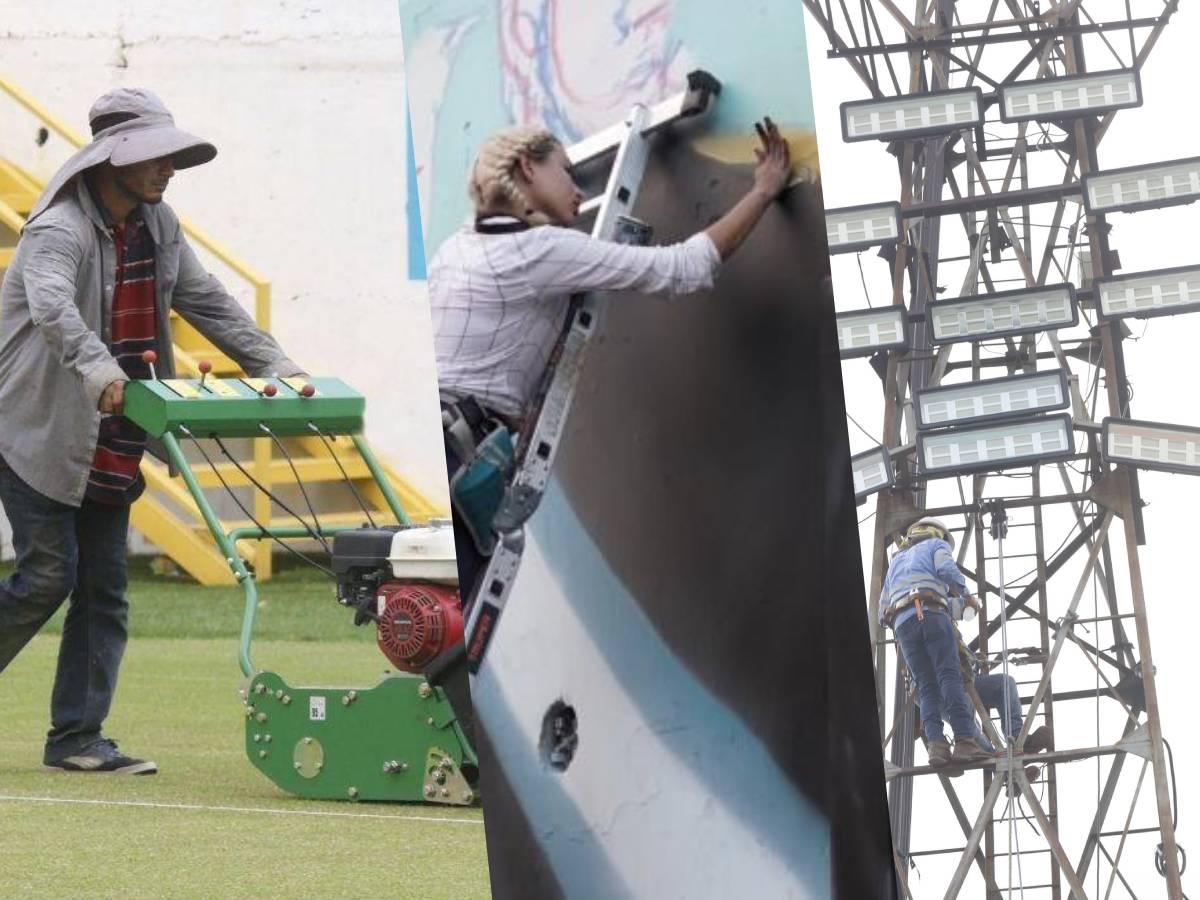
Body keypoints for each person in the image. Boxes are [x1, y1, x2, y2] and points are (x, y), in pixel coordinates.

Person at [0, 88, 303, 775]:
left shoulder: (158, 225)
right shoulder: (59, 229)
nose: (169, 168)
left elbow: (207, 302)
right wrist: (99, 367)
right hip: (36, 429)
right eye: (156, 156)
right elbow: (51, 308)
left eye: (172, 156)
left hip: (114, 433)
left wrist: (276, 366)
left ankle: (76, 738)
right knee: (49, 575)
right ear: (114, 159)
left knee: (104, 588)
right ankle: (75, 733)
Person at [429, 117, 795, 602]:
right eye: (565, 171)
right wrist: (762, 192)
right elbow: (681, 269)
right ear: (527, 169)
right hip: (464, 453)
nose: (578, 190)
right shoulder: (542, 250)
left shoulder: (454, 250)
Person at [880, 516, 991, 768]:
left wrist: (905, 620)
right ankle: (965, 740)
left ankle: (937, 747)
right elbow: (946, 571)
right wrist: (968, 597)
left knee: (927, 686)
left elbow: (881, 612)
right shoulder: (935, 546)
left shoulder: (896, 561)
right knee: (948, 676)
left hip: (902, 626)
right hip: (931, 615)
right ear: (937, 533)